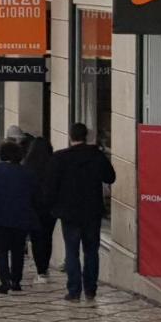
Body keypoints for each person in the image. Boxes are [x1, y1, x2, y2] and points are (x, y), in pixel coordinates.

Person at [48, 122, 116, 302]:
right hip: (92, 210)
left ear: (70, 136)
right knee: (91, 251)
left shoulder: (60, 158)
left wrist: (52, 206)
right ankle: (91, 290)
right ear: (86, 136)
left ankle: (74, 290)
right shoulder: (96, 155)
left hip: (69, 211)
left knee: (72, 251)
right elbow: (111, 177)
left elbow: (51, 185)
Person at [0, 142, 40, 294]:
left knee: (1, 250)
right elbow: (35, 196)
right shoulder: (28, 172)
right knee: (18, 250)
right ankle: (16, 280)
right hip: (21, 216)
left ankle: (4, 280)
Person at [15, 125, 57, 283]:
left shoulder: (27, 166)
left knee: (36, 238)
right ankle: (44, 268)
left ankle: (40, 270)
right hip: (49, 209)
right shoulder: (53, 164)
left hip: (33, 208)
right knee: (47, 237)